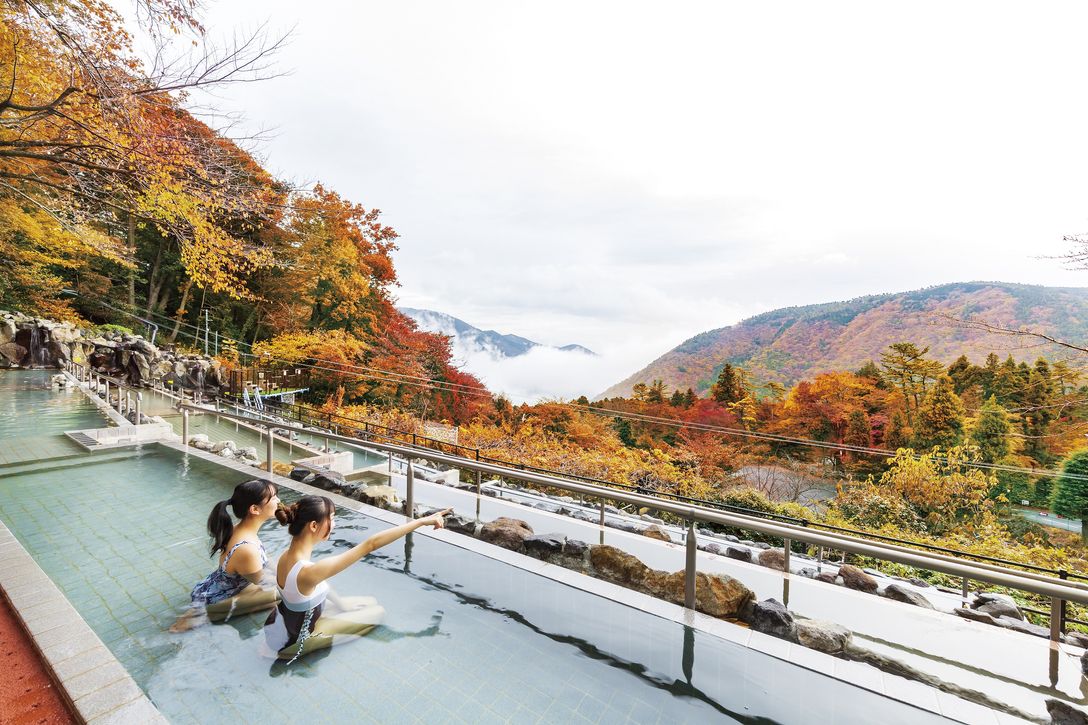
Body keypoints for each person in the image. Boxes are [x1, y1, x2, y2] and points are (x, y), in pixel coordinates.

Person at [264, 495, 449, 662]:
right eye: (332, 519)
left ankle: (324, 623)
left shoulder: (285, 557)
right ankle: (300, 650)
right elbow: (370, 544)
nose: (334, 525)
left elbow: (311, 586)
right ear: (313, 526)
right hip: (298, 638)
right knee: (378, 612)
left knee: (369, 602)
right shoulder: (310, 572)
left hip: (286, 622)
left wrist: (342, 605)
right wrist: (421, 522)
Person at [170, 479, 281, 632]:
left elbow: (266, 566)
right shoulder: (247, 549)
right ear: (255, 509)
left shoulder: (239, 529)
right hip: (217, 601)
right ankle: (198, 618)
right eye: (274, 497)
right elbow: (265, 582)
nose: (279, 501)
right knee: (283, 594)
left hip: (210, 588)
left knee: (284, 587)